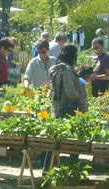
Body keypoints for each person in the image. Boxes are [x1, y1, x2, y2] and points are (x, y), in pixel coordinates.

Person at [43, 44, 88, 172]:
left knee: (54, 142)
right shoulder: (67, 70)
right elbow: (70, 92)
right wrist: (80, 97)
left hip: (57, 107)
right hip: (69, 108)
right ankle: (71, 170)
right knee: (74, 143)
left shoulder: (56, 68)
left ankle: (46, 170)